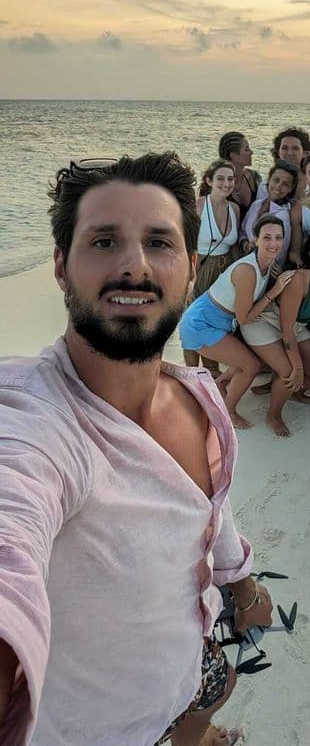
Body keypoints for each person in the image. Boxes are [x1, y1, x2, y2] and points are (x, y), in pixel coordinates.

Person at [0, 152, 271, 746]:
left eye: (158, 242)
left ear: (191, 269)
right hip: (99, 729)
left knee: (216, 685)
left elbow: (212, 511)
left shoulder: (199, 396)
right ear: (60, 265)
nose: (134, 265)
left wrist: (242, 583)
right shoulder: (34, 423)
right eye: (104, 242)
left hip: (188, 653)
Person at [179, 215, 294, 430]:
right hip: (201, 324)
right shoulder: (247, 270)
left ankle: (221, 383)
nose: (273, 243)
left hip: (219, 321)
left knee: (247, 359)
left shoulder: (268, 263)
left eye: (278, 237)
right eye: (267, 237)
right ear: (256, 240)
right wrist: (274, 291)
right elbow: (244, 318)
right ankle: (228, 411)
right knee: (250, 365)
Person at [241, 227, 310, 436]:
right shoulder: (300, 279)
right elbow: (286, 328)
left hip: (293, 325)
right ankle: (273, 415)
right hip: (264, 321)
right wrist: (297, 367)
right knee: (289, 371)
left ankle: (293, 392)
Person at [183, 159, 241, 378]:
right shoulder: (198, 206)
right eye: (220, 178)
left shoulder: (234, 209)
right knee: (191, 320)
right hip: (199, 267)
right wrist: (188, 279)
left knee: (214, 321)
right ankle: (192, 373)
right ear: (209, 181)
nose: (226, 183)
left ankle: (211, 371)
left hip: (223, 271)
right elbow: (185, 244)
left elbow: (233, 246)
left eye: (230, 179)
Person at [239, 160, 298, 269]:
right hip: (243, 263)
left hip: (264, 271)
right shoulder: (256, 205)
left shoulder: (283, 217)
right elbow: (242, 232)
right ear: (269, 179)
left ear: (290, 189)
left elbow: (278, 254)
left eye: (285, 184)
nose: (278, 186)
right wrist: (245, 244)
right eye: (276, 180)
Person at [218, 131, 261, 222]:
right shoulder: (217, 184)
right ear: (233, 155)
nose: (251, 152)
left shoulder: (254, 178)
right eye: (246, 149)